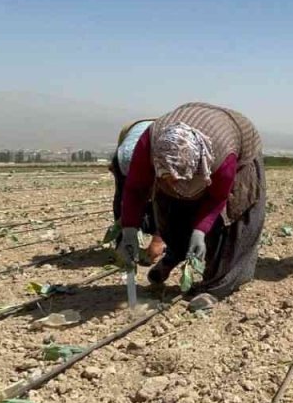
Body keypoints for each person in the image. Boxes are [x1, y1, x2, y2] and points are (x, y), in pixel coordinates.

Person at [118, 103, 266, 311]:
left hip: (236, 147)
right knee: (169, 207)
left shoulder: (223, 158)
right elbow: (134, 188)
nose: (175, 186)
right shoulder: (149, 147)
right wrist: (129, 229)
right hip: (182, 158)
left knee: (234, 219)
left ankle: (217, 286)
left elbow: (217, 198)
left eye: (180, 180)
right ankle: (176, 253)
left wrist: (200, 231)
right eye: (168, 179)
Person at [109, 118, 165, 264]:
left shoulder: (166, 159)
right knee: (123, 200)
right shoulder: (126, 160)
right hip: (125, 156)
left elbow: (168, 204)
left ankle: (155, 245)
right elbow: (129, 197)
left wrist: (158, 240)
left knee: (160, 201)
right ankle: (125, 245)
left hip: (146, 156)